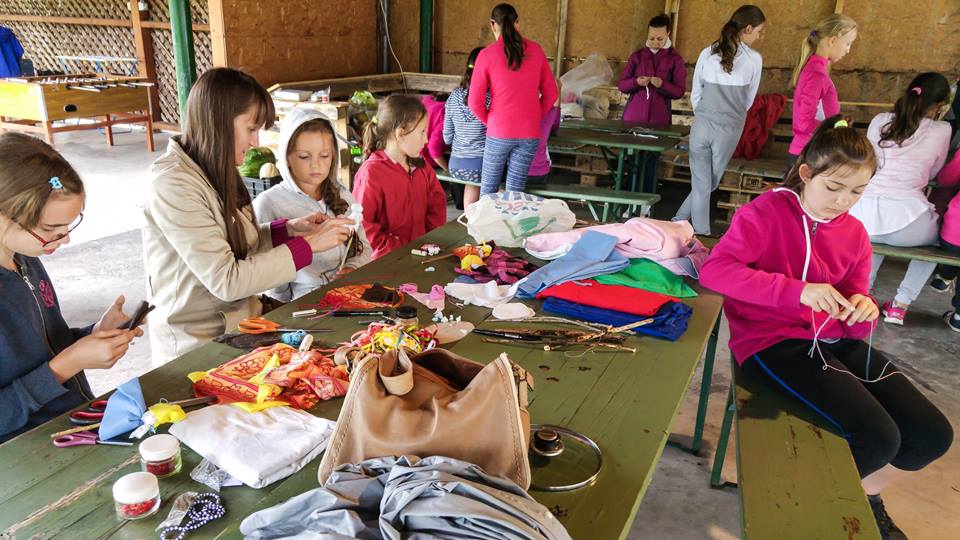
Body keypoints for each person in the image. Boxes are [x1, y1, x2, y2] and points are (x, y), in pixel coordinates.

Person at [700, 117, 953, 540]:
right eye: (834, 187)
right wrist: (796, 291)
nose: (843, 201)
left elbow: (856, 291)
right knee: (876, 439)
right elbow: (715, 271)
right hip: (773, 342)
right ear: (806, 173)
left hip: (833, 339)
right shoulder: (764, 213)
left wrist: (863, 306)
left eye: (857, 191)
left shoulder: (854, 232)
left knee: (932, 436)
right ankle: (802, 514)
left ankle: (865, 498)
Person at [143, 68, 353, 364]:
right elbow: (227, 280)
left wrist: (287, 230)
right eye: (251, 129)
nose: (256, 142)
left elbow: (234, 242)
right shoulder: (173, 184)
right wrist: (308, 245)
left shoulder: (216, 166)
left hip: (241, 322)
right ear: (219, 122)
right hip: (198, 343)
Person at [0, 133, 143, 442]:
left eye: (68, 225)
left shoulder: (24, 256)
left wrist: (94, 334)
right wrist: (66, 365)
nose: (65, 239)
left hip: (72, 424)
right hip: (23, 451)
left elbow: (46, 346)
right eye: (51, 228)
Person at [849, 73, 952, 325]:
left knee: (874, 235)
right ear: (939, 106)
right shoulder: (942, 129)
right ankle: (900, 305)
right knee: (937, 243)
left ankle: (862, 295)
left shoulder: (879, 121)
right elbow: (935, 173)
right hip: (910, 224)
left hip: (863, 215)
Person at [253, 108, 373, 301]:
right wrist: (284, 302)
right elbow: (268, 276)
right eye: (304, 156)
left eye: (324, 155)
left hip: (348, 294)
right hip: (301, 305)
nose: (316, 165)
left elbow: (364, 247)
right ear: (286, 157)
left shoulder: (343, 194)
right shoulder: (268, 204)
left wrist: (352, 268)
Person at [673, 5, 765, 235]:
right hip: (729, 127)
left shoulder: (707, 53)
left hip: (702, 123)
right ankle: (701, 233)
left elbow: (696, 93)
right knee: (709, 183)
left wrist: (705, 115)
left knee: (702, 183)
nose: (759, 37)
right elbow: (748, 100)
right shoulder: (754, 59)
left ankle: (678, 220)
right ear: (748, 29)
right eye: (759, 32)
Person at [469, 3, 559, 196]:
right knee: (515, 194)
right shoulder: (536, 50)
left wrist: (491, 122)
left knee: (488, 191)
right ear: (517, 23)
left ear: (493, 25)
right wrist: (535, 117)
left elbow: (474, 103)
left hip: (499, 130)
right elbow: (552, 93)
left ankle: (488, 217)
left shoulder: (486, 55)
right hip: (529, 133)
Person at [352, 94, 447, 260]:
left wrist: (429, 240)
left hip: (421, 254)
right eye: (422, 132)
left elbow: (436, 203)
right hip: (387, 261)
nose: (426, 139)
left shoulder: (421, 166)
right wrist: (397, 249)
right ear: (400, 133)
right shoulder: (371, 173)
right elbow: (363, 226)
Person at [788, 14, 858, 165]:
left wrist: (839, 122)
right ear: (833, 41)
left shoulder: (815, 69)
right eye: (848, 43)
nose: (848, 50)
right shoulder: (817, 74)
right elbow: (804, 123)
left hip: (812, 151)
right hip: (809, 153)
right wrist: (835, 125)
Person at [617, 13, 687, 126]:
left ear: (668, 34)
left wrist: (662, 85)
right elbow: (622, 86)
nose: (655, 42)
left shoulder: (675, 59)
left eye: (660, 39)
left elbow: (679, 92)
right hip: (632, 119)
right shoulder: (637, 56)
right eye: (651, 38)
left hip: (660, 122)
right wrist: (636, 82)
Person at [444, 47, 487, 208]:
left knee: (473, 181)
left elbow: (447, 138)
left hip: (455, 165)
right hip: (480, 166)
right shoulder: (490, 98)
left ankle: (469, 214)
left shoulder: (454, 96)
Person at [421, 92, 449, 171]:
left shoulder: (426, 100)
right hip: (426, 159)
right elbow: (433, 148)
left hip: (410, 153)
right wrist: (447, 169)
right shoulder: (446, 116)